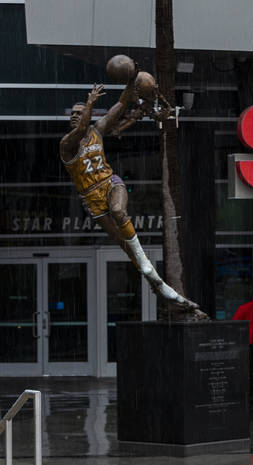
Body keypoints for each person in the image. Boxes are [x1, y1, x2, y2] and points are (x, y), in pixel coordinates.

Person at [60, 80, 202, 316]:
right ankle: (161, 287)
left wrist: (132, 79)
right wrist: (89, 105)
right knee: (124, 247)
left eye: (79, 113)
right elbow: (82, 125)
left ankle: (145, 262)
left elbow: (121, 104)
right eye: (72, 114)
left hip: (110, 184)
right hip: (92, 198)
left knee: (118, 211)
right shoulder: (66, 144)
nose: (76, 117)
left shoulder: (96, 131)